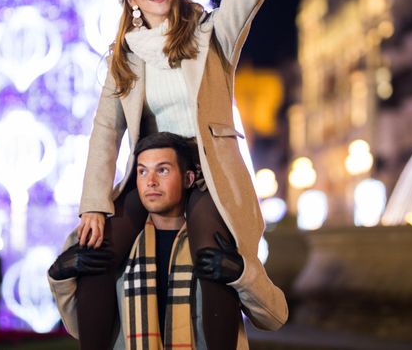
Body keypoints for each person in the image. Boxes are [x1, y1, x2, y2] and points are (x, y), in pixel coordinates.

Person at [73, 0, 303, 349]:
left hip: (207, 172)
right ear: (131, 1)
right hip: (154, 171)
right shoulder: (125, 57)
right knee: (93, 258)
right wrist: (94, 205)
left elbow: (240, 2)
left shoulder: (209, 36)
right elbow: (105, 131)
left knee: (213, 259)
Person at [50, 132, 263, 348]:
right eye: (142, 172)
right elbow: (79, 328)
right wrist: (59, 274)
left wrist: (240, 274)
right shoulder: (121, 251)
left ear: (189, 178)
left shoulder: (214, 243)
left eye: (162, 170)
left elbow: (273, 317)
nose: (150, 182)